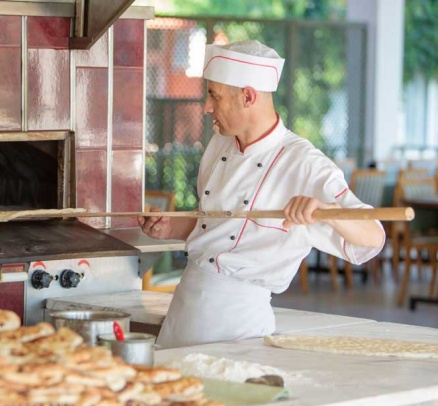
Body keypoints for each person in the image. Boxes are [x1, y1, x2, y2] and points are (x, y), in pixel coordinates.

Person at [138, 40, 385, 349]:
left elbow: (373, 237)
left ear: (248, 97)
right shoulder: (219, 144)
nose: (206, 107)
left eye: (214, 95)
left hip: (238, 325)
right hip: (183, 311)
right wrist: (169, 227)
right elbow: (213, 225)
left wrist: (327, 210)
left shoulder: (304, 163)